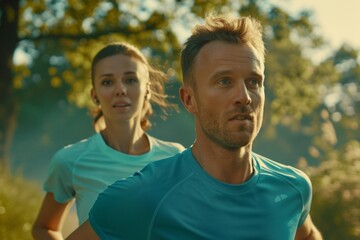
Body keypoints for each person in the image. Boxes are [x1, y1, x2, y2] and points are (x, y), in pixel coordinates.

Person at [66, 13, 323, 240]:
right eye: (224, 81)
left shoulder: (293, 189)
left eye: (254, 82)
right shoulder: (143, 197)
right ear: (189, 99)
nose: (244, 96)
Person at [32, 42, 185, 240]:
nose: (120, 89)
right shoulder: (69, 160)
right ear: (94, 95)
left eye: (130, 80)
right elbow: (44, 228)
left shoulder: (175, 158)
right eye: (107, 82)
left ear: (147, 90)